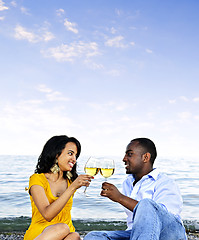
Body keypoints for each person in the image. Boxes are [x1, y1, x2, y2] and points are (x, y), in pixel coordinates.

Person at [83, 138, 187, 240]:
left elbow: (162, 216)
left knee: (146, 204)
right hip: (134, 234)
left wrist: (120, 198)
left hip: (169, 234)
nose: (124, 159)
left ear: (145, 157)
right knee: (93, 236)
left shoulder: (165, 182)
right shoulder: (127, 183)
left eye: (129, 154)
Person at [24, 135, 93, 240]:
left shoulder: (70, 182)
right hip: (42, 234)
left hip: (67, 234)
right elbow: (47, 214)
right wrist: (72, 188)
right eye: (70, 153)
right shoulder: (37, 179)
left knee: (74, 236)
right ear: (56, 154)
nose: (74, 159)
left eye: (76, 155)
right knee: (63, 228)